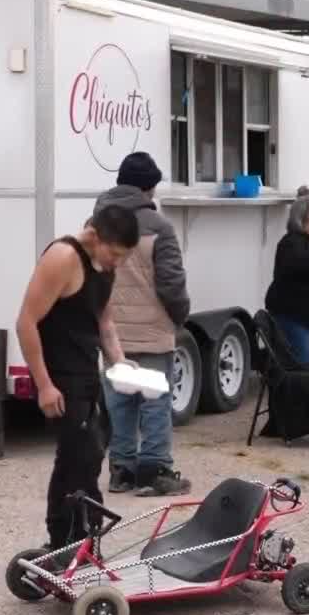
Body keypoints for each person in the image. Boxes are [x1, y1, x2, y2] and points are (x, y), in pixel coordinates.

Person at [14, 204, 140, 550]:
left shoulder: (105, 266)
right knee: (76, 459)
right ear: (95, 236)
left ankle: (81, 541)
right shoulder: (63, 257)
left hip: (87, 374)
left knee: (92, 452)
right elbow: (26, 321)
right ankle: (65, 541)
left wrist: (119, 361)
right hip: (60, 377)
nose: (118, 263)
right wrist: (43, 385)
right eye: (115, 254)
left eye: (123, 257)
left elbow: (104, 320)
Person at [94, 152, 193, 497]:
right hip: (153, 330)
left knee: (118, 402)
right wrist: (180, 316)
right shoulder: (160, 227)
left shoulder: (96, 221)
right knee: (155, 401)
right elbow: (171, 284)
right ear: (148, 188)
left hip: (112, 332)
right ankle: (155, 470)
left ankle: (121, 471)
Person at [264, 192, 309, 367]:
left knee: (305, 367)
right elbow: (300, 262)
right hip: (292, 317)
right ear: (301, 217)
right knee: (303, 368)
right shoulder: (291, 242)